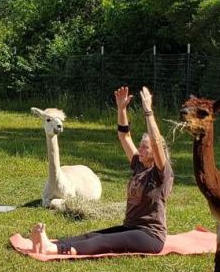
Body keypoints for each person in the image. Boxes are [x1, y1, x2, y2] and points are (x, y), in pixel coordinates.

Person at [31, 86, 173, 255]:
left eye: (145, 148)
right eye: (140, 146)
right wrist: (121, 109)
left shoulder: (161, 174)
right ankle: (50, 242)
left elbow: (156, 143)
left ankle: (53, 249)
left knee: (102, 241)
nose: (139, 150)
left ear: (156, 154)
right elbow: (124, 136)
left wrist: (148, 112)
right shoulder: (139, 165)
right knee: (91, 235)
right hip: (131, 228)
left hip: (149, 236)